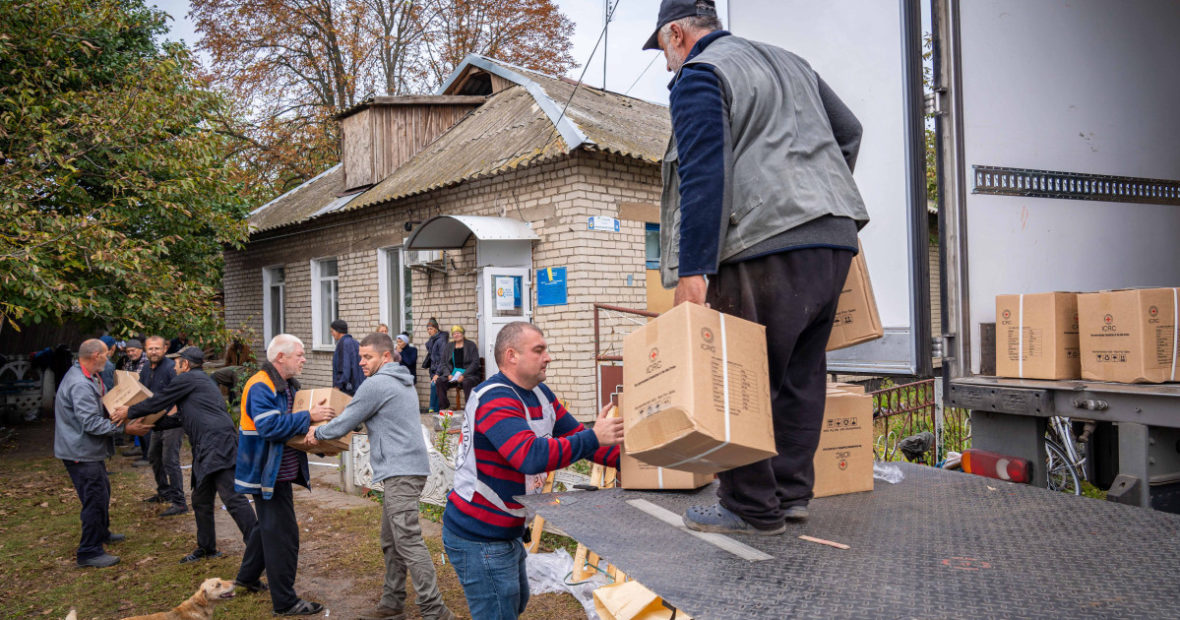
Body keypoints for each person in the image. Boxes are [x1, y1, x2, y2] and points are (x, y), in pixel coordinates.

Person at [643, 0, 870, 535]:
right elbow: (850, 130)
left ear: (677, 34)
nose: (666, 64)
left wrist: (695, 271)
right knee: (799, 376)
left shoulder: (702, 74)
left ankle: (749, 507)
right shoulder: (791, 62)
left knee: (739, 375)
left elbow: (704, 176)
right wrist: (815, 191)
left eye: (663, 51)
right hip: (833, 238)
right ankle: (791, 496)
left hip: (763, 244)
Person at [442, 322, 624, 619]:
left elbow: (578, 437)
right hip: (478, 536)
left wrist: (631, 463)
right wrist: (593, 436)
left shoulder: (540, 394)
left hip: (507, 531)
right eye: (539, 350)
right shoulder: (495, 398)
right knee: (500, 612)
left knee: (516, 602)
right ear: (512, 356)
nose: (548, 357)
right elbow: (527, 456)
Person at [304, 333, 457, 620]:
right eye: (360, 357)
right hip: (407, 469)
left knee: (409, 541)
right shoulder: (402, 381)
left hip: (400, 472)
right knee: (391, 540)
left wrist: (317, 432)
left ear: (385, 356)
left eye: (367, 357)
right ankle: (391, 604)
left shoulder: (377, 384)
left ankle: (436, 611)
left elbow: (347, 421)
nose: (361, 362)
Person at [114, 346, 258, 565]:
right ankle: (207, 548)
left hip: (218, 444)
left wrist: (129, 411)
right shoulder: (199, 383)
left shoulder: (190, 379)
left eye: (178, 361)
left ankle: (259, 550)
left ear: (186, 365)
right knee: (201, 499)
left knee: (233, 498)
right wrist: (152, 426)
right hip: (206, 445)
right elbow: (181, 417)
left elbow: (159, 401)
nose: (174, 365)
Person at [234, 334, 336, 616]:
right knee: (283, 537)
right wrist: (309, 417)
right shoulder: (261, 386)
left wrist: (321, 446)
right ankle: (285, 602)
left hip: (276, 470)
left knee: (267, 529)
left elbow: (290, 432)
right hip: (265, 473)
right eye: (300, 354)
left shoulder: (287, 385)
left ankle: (246, 577)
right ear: (281, 357)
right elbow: (270, 428)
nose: (304, 359)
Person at [54, 339, 152, 568]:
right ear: (96, 355)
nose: (108, 358)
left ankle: (102, 532)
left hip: (87, 449)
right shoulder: (79, 383)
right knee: (94, 499)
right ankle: (89, 551)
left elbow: (99, 406)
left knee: (102, 491)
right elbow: (90, 423)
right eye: (106, 355)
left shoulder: (89, 375)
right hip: (80, 451)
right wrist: (125, 428)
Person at [140, 335, 186, 516]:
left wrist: (171, 414)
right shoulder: (145, 368)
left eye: (157, 348)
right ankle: (164, 492)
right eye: (150, 349)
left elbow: (179, 394)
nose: (153, 352)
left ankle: (179, 502)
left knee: (170, 461)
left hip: (173, 422)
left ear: (164, 349)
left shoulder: (170, 368)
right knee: (154, 456)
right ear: (146, 350)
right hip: (154, 421)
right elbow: (142, 393)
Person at [433, 325, 479, 411]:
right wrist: (448, 374)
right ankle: (444, 407)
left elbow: (475, 363)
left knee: (467, 383)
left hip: (468, 375)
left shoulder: (471, 345)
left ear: (462, 334)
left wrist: (464, 375)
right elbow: (443, 363)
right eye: (454, 334)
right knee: (440, 381)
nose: (456, 335)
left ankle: (469, 409)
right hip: (453, 375)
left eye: (458, 333)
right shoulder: (449, 346)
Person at [330, 319, 365, 396]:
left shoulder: (342, 344)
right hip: (358, 386)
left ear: (338, 330)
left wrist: (338, 386)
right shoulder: (355, 343)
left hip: (347, 389)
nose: (332, 334)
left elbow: (343, 367)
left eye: (332, 331)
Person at [422, 318, 447, 413]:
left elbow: (443, 359)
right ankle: (436, 412)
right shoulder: (432, 340)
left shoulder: (442, 341)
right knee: (437, 391)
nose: (429, 331)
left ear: (436, 328)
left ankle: (431, 406)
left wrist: (438, 373)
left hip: (441, 370)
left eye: (431, 329)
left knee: (434, 385)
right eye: (428, 329)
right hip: (433, 369)